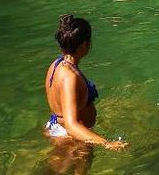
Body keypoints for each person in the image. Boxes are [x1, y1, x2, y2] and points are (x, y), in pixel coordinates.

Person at [44, 14, 128, 149]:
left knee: (60, 170)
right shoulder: (69, 77)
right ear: (84, 44)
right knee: (75, 171)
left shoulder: (56, 65)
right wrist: (107, 143)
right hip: (73, 139)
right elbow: (71, 126)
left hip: (58, 129)